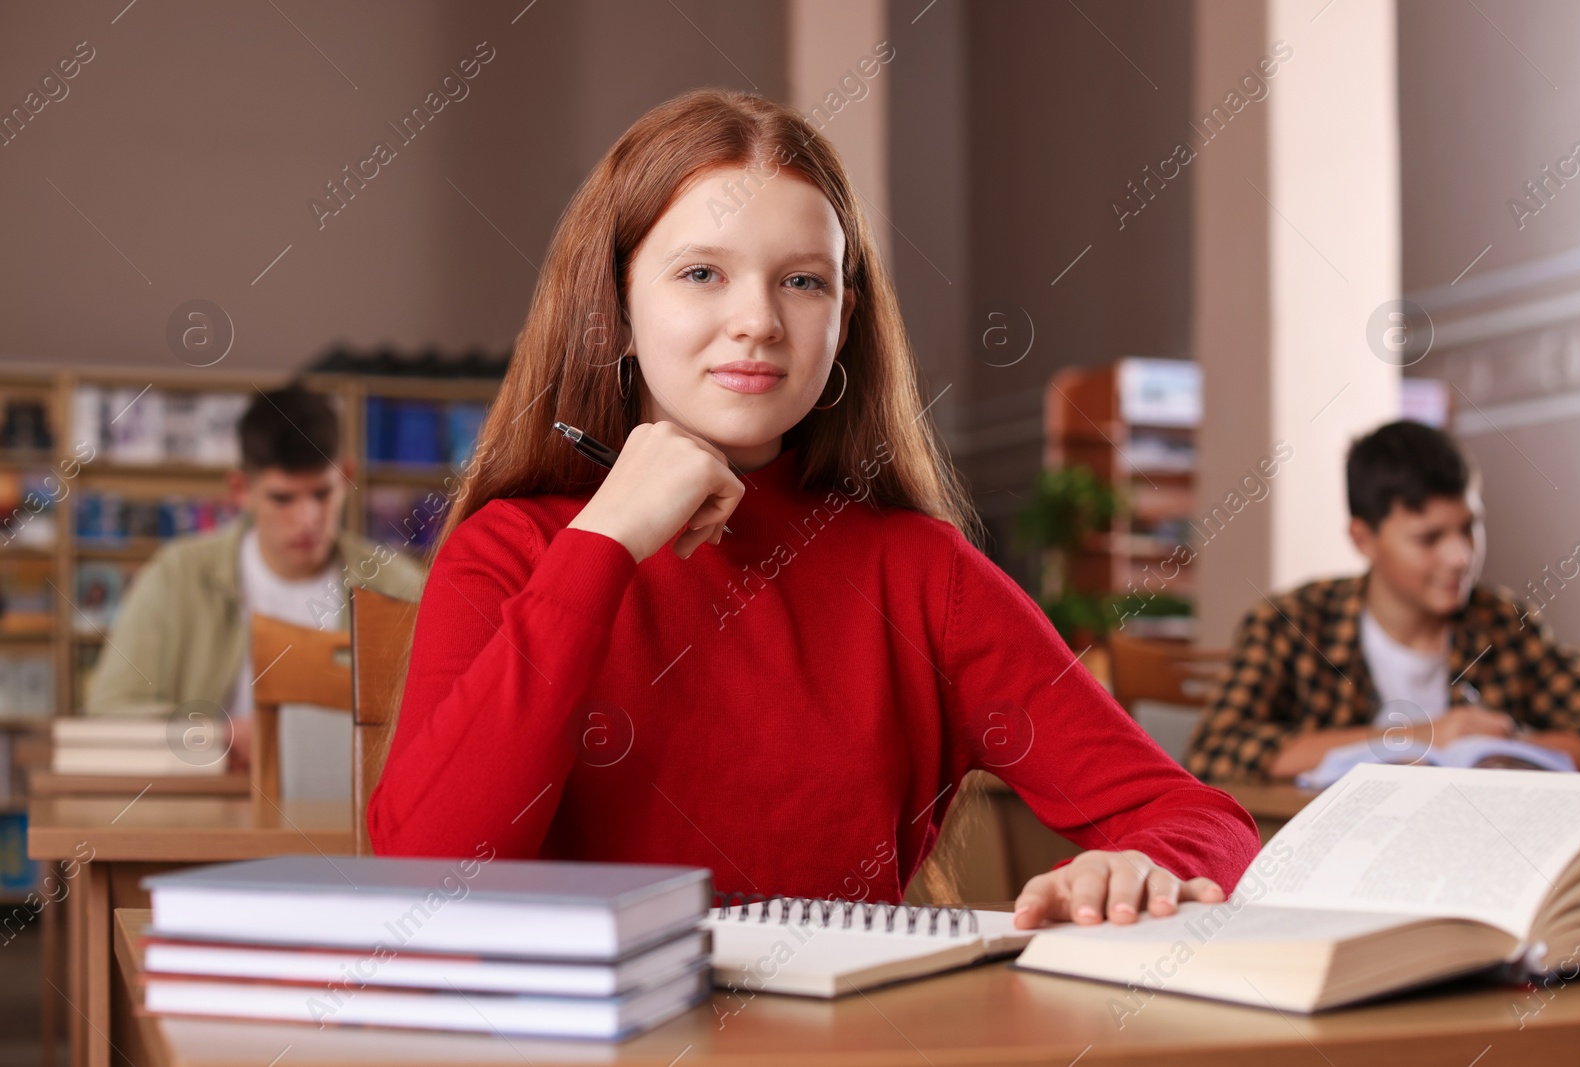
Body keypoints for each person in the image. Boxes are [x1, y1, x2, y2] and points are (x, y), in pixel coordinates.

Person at [367, 88, 1258, 928]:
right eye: (703, 272)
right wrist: (604, 540)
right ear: (618, 312)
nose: (757, 320)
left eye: (803, 282)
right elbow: (426, 875)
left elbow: (1193, 814)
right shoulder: (516, 548)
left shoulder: (918, 572)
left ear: (844, 322)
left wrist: (1141, 861)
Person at [1186, 419, 1580, 783]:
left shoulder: (1505, 624)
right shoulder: (1288, 623)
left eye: (1469, 528)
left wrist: (1508, 746)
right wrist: (1424, 735)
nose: (1460, 557)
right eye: (1429, 538)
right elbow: (1214, 750)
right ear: (1363, 539)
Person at [85, 383, 424, 772]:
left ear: (346, 476)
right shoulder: (176, 576)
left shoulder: (400, 588)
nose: (308, 519)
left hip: (353, 816)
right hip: (212, 812)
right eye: (283, 498)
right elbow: (109, 712)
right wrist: (217, 736)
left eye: (322, 493)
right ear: (239, 489)